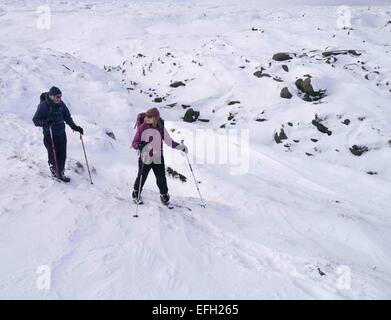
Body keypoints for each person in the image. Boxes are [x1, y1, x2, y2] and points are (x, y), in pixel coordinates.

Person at [131, 107, 187, 205]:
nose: (147, 118)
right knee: (142, 176)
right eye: (147, 116)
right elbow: (134, 143)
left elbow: (169, 141)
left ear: (156, 118)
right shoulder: (142, 127)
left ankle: (164, 195)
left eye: (150, 117)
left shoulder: (160, 127)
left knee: (161, 178)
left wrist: (180, 147)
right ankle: (136, 193)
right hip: (145, 157)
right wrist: (140, 145)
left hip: (158, 157)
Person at [33, 86, 84, 182]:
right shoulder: (44, 106)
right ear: (52, 97)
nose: (60, 98)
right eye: (57, 96)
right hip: (50, 135)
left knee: (62, 155)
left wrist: (75, 127)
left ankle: (61, 173)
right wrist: (45, 123)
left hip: (61, 133)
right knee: (53, 155)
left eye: (60, 96)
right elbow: (35, 120)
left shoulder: (61, 104)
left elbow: (67, 117)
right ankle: (55, 173)